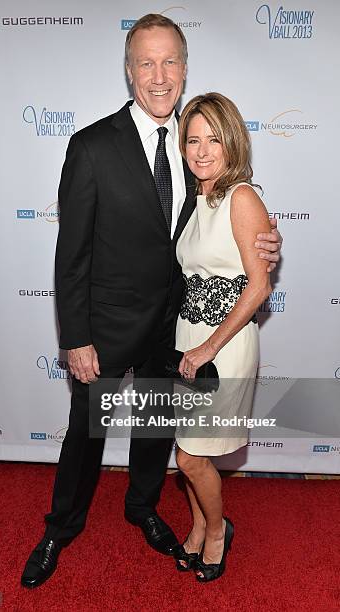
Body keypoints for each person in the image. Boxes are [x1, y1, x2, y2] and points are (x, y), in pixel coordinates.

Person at [21, 15, 282, 589]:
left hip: (174, 326)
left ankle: (142, 507)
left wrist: (268, 237)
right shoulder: (91, 146)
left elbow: (226, 217)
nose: (159, 76)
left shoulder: (196, 147)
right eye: (146, 62)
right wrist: (75, 336)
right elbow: (72, 254)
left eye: (170, 62)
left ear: (184, 70)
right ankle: (59, 528)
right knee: (85, 432)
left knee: (155, 430)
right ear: (129, 70)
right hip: (106, 327)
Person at [172, 92, 272, 582]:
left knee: (191, 456)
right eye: (193, 139)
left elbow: (259, 285)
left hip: (223, 346)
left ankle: (216, 530)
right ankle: (195, 527)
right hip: (187, 338)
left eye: (213, 138)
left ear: (232, 141)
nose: (203, 149)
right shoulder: (197, 202)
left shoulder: (242, 197)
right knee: (188, 451)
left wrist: (209, 345)